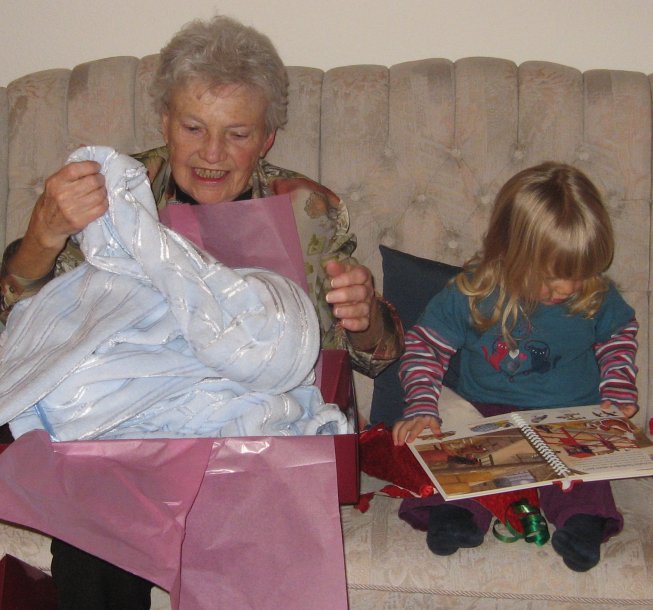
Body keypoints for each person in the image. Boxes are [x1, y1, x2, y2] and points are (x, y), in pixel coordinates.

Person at [0, 14, 403, 609]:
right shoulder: (115, 199)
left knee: (264, 547)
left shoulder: (304, 209)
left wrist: (363, 315)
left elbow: (376, 354)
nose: (212, 153)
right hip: (127, 437)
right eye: (193, 127)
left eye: (237, 134)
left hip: (250, 442)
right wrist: (42, 234)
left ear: (266, 139)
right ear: (164, 121)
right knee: (95, 542)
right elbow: (31, 335)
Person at [392, 162, 638, 572]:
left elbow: (619, 335)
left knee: (584, 476)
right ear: (509, 253)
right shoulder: (474, 291)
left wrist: (617, 392)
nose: (567, 289)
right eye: (553, 278)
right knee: (465, 463)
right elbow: (423, 348)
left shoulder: (594, 295)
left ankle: (583, 523)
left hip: (569, 417)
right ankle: (456, 517)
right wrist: (421, 406)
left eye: (579, 274)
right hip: (488, 414)